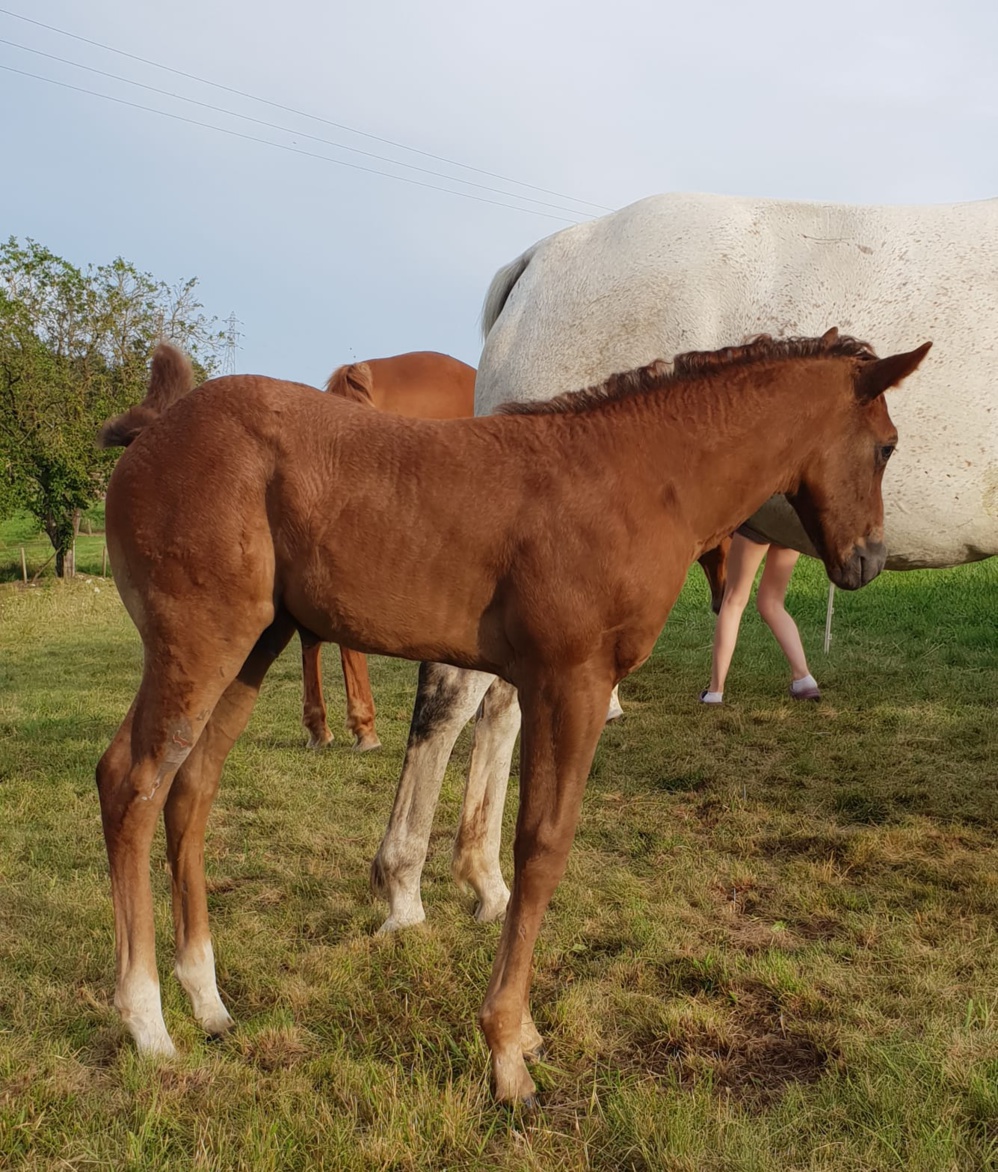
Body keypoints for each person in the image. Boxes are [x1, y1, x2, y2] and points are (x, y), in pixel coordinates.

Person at [699, 527, 820, 705]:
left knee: (733, 600)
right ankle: (803, 679)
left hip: (759, 520)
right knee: (771, 602)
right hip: (790, 522)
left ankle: (715, 691)